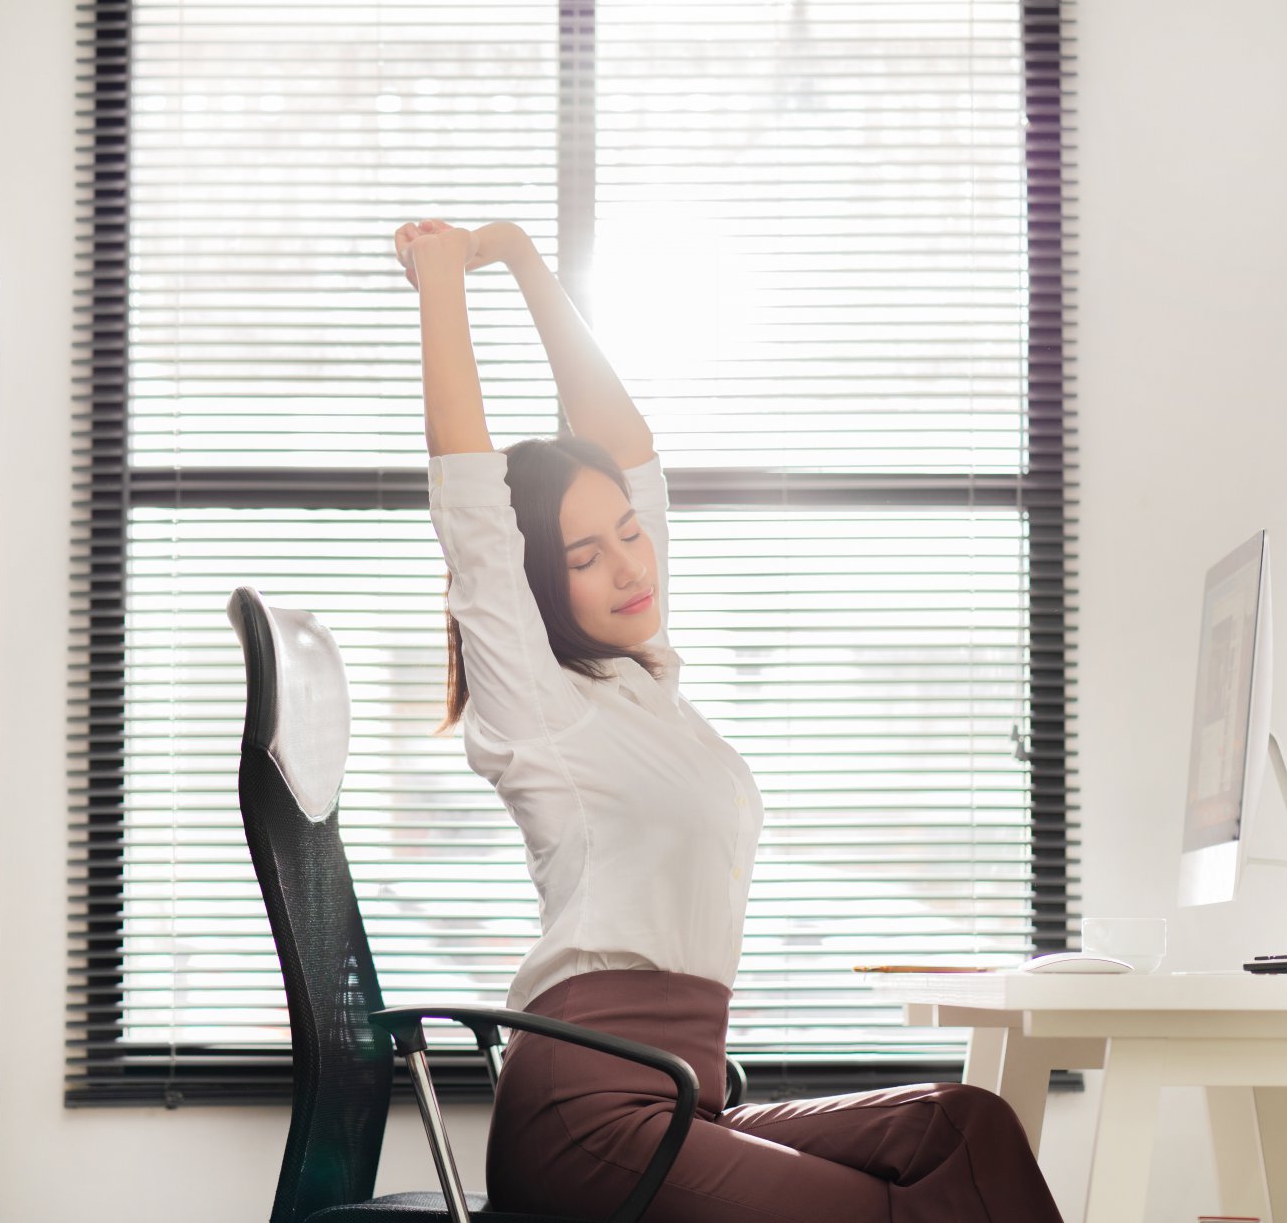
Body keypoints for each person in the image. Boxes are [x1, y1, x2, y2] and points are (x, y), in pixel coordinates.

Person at [392, 217, 1063, 1223]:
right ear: (536, 586)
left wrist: (528, 263)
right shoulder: (536, 704)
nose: (630, 564)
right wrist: (443, 282)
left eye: (630, 534)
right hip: (584, 1117)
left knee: (960, 1128)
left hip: (675, 1100)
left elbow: (629, 451)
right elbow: (473, 515)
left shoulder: (647, 686)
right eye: (585, 557)